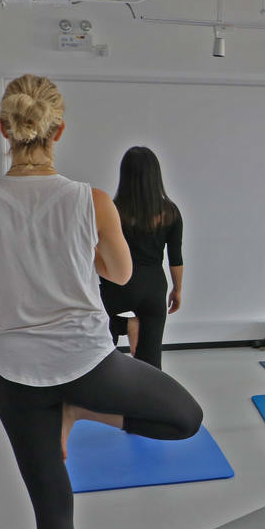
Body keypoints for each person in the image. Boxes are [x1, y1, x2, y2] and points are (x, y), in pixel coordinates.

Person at [0, 74, 204, 529]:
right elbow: (119, 273)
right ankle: (82, 409)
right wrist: (72, 249)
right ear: (58, 131)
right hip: (88, 360)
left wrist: (6, 253)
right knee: (185, 418)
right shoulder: (91, 200)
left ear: (4, 129)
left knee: (51, 507)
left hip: (17, 372)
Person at [98, 146, 184, 369]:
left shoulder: (112, 210)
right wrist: (177, 289)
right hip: (153, 287)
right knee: (151, 362)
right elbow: (175, 257)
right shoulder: (170, 213)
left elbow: (98, 250)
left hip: (116, 284)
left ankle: (124, 325)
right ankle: (150, 393)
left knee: (102, 352)